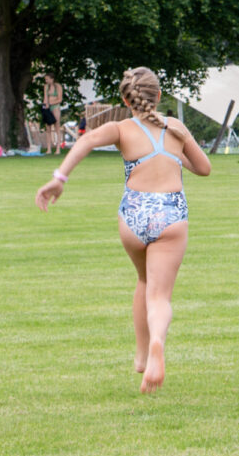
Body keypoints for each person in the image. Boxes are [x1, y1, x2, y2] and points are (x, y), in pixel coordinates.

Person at [35, 66, 211, 394]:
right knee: (159, 295)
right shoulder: (176, 127)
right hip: (170, 213)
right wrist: (176, 156)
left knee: (143, 281)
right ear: (158, 96)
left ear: (125, 99)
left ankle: (142, 357)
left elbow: (86, 141)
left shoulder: (120, 128)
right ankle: (157, 342)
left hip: (133, 215)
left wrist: (59, 179)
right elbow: (204, 168)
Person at [41, 73, 63, 154]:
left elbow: (59, 99)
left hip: (55, 107)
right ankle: (49, 149)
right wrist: (45, 106)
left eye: (47, 79)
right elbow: (45, 98)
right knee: (48, 128)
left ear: (52, 79)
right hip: (48, 107)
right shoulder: (46, 87)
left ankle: (58, 149)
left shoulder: (58, 86)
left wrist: (51, 103)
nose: (46, 81)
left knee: (57, 127)